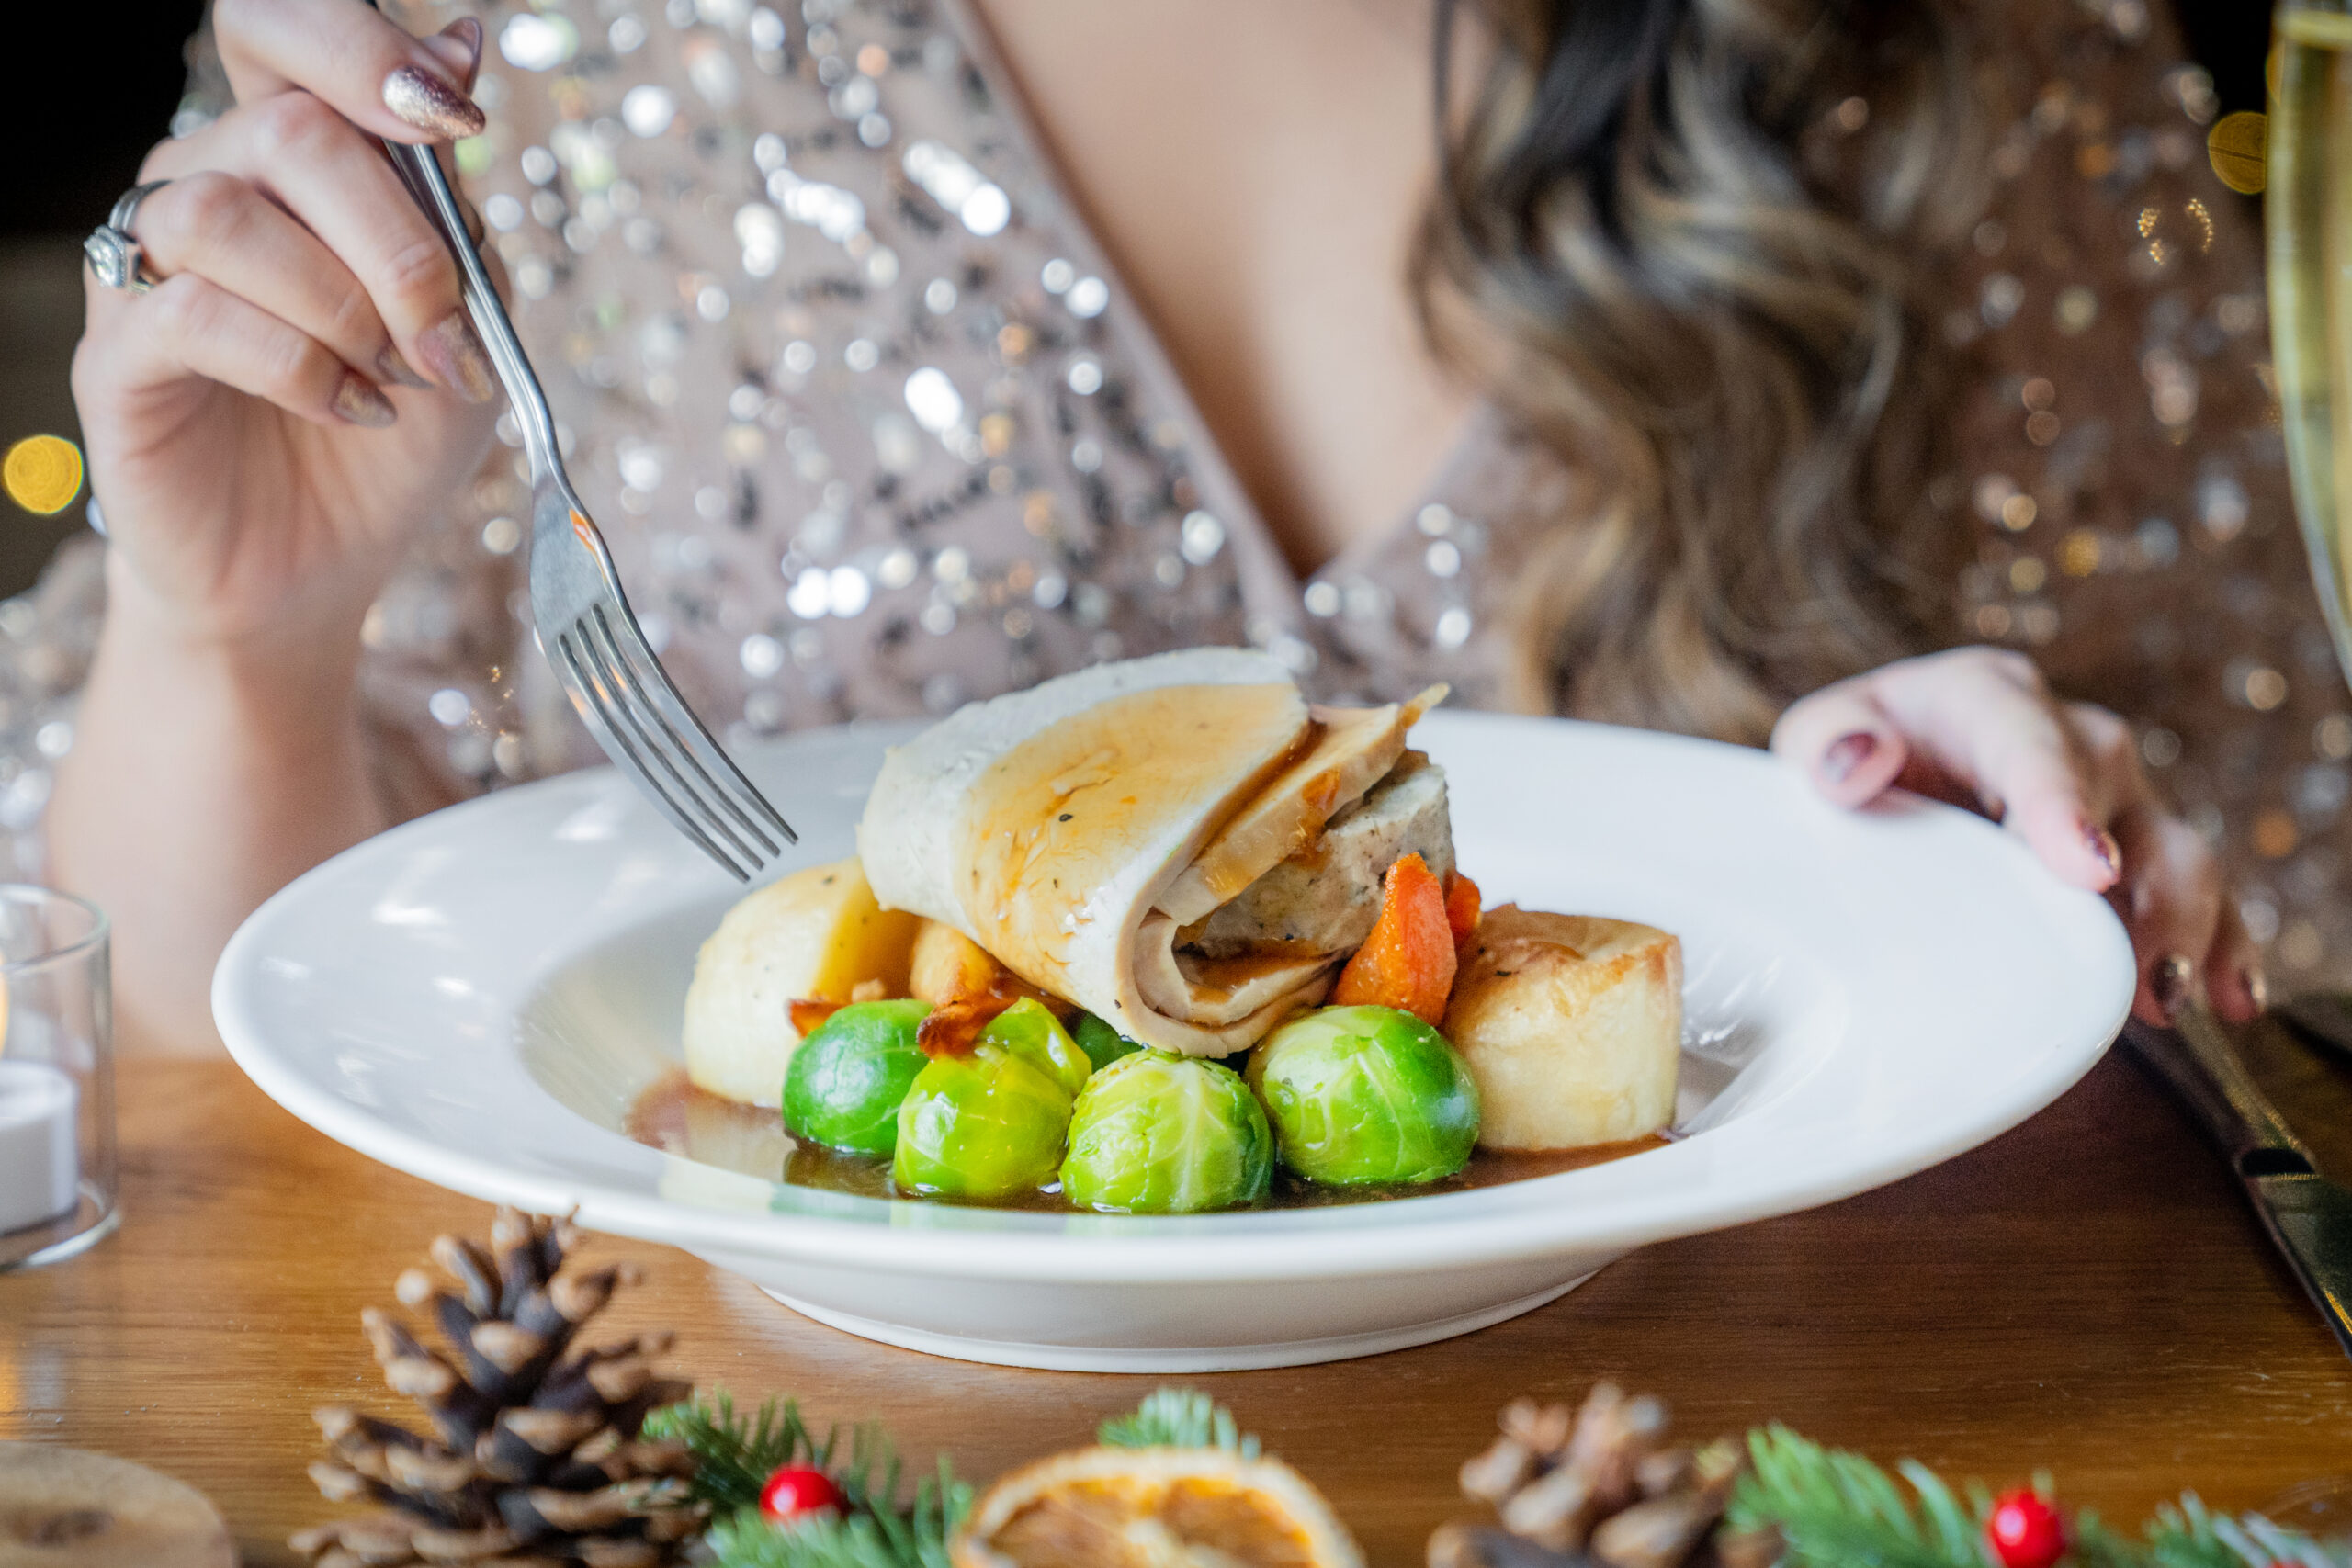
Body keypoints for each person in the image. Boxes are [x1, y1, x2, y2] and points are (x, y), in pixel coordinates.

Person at [47, 0, 2290, 1051]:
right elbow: (190, 1079)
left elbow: (2252, 965)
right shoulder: (494, 55)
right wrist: (233, 642)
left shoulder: (1963, 64)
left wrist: (1983, 843)